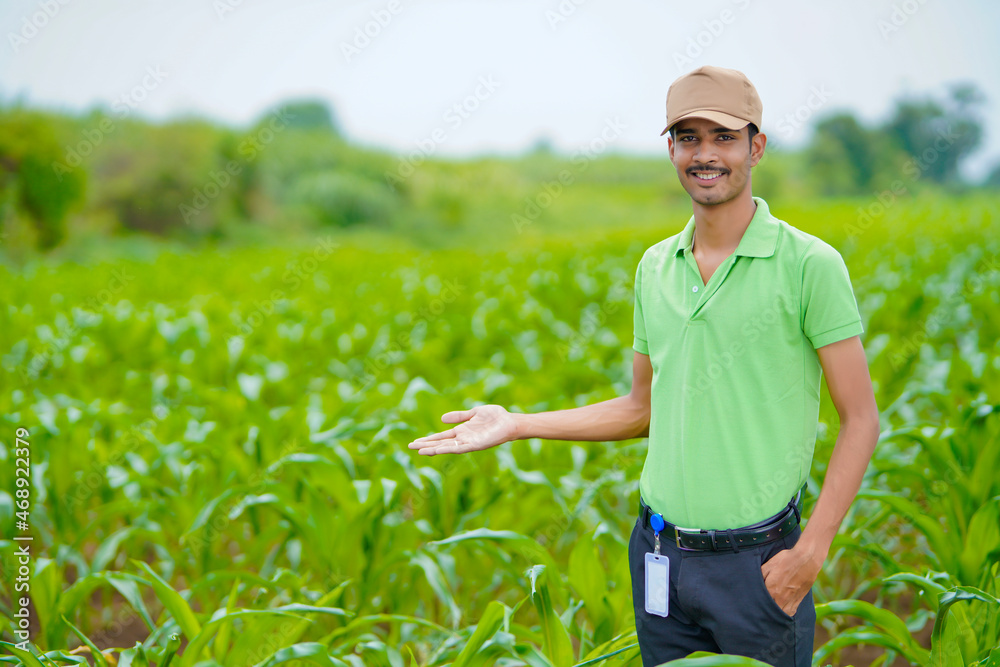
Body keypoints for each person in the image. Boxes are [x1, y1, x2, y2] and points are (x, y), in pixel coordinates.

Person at [406, 65, 879, 667]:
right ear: (672, 150)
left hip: (759, 567)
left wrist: (809, 556)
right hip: (660, 557)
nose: (705, 154)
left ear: (756, 146)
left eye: (723, 137)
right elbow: (641, 409)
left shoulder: (810, 265)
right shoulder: (656, 267)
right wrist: (518, 423)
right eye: (688, 138)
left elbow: (860, 418)